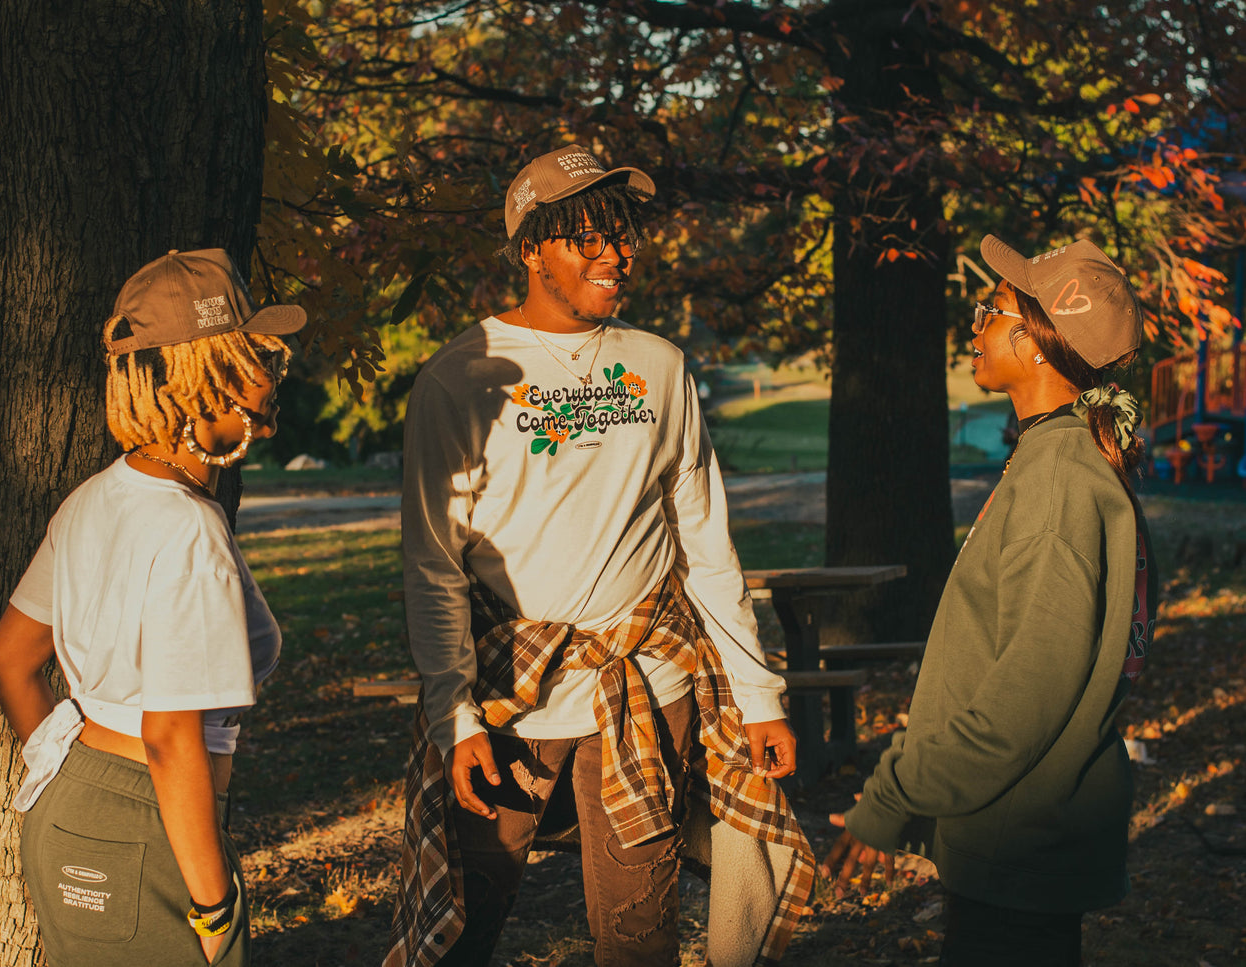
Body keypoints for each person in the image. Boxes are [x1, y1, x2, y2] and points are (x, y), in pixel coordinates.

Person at [384, 145, 814, 967]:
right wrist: (454, 717)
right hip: (512, 693)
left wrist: (760, 694)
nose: (615, 255)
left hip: (646, 686)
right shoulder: (460, 378)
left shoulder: (658, 365)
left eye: (620, 236)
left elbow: (705, 542)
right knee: (466, 917)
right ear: (530, 249)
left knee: (636, 932)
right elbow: (432, 567)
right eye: (587, 239)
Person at [822, 235, 1159, 966]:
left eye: (990, 309)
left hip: (1021, 835)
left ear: (1039, 343)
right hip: (1020, 832)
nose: (971, 325)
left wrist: (891, 795)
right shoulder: (1057, 459)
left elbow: (1024, 697)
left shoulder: (1061, 478)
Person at [0, 248, 305, 966]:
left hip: (69, 805)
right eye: (256, 357)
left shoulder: (93, 497)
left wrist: (73, 779)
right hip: (146, 826)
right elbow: (168, 735)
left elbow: (10, 659)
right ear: (207, 371)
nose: (269, 381)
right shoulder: (188, 527)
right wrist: (215, 904)